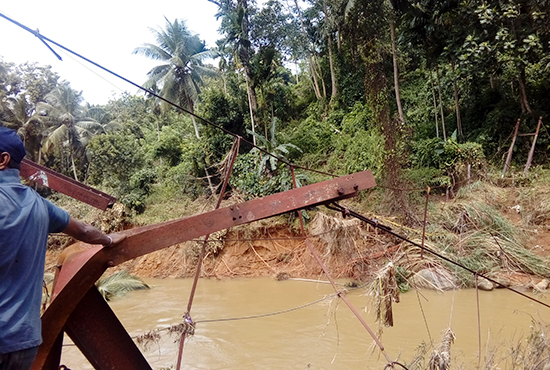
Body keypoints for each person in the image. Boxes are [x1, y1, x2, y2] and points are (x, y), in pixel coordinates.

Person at [0, 127, 125, 370]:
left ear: (2, 160)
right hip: (24, 344)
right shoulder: (41, 206)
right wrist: (108, 240)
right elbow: (84, 232)